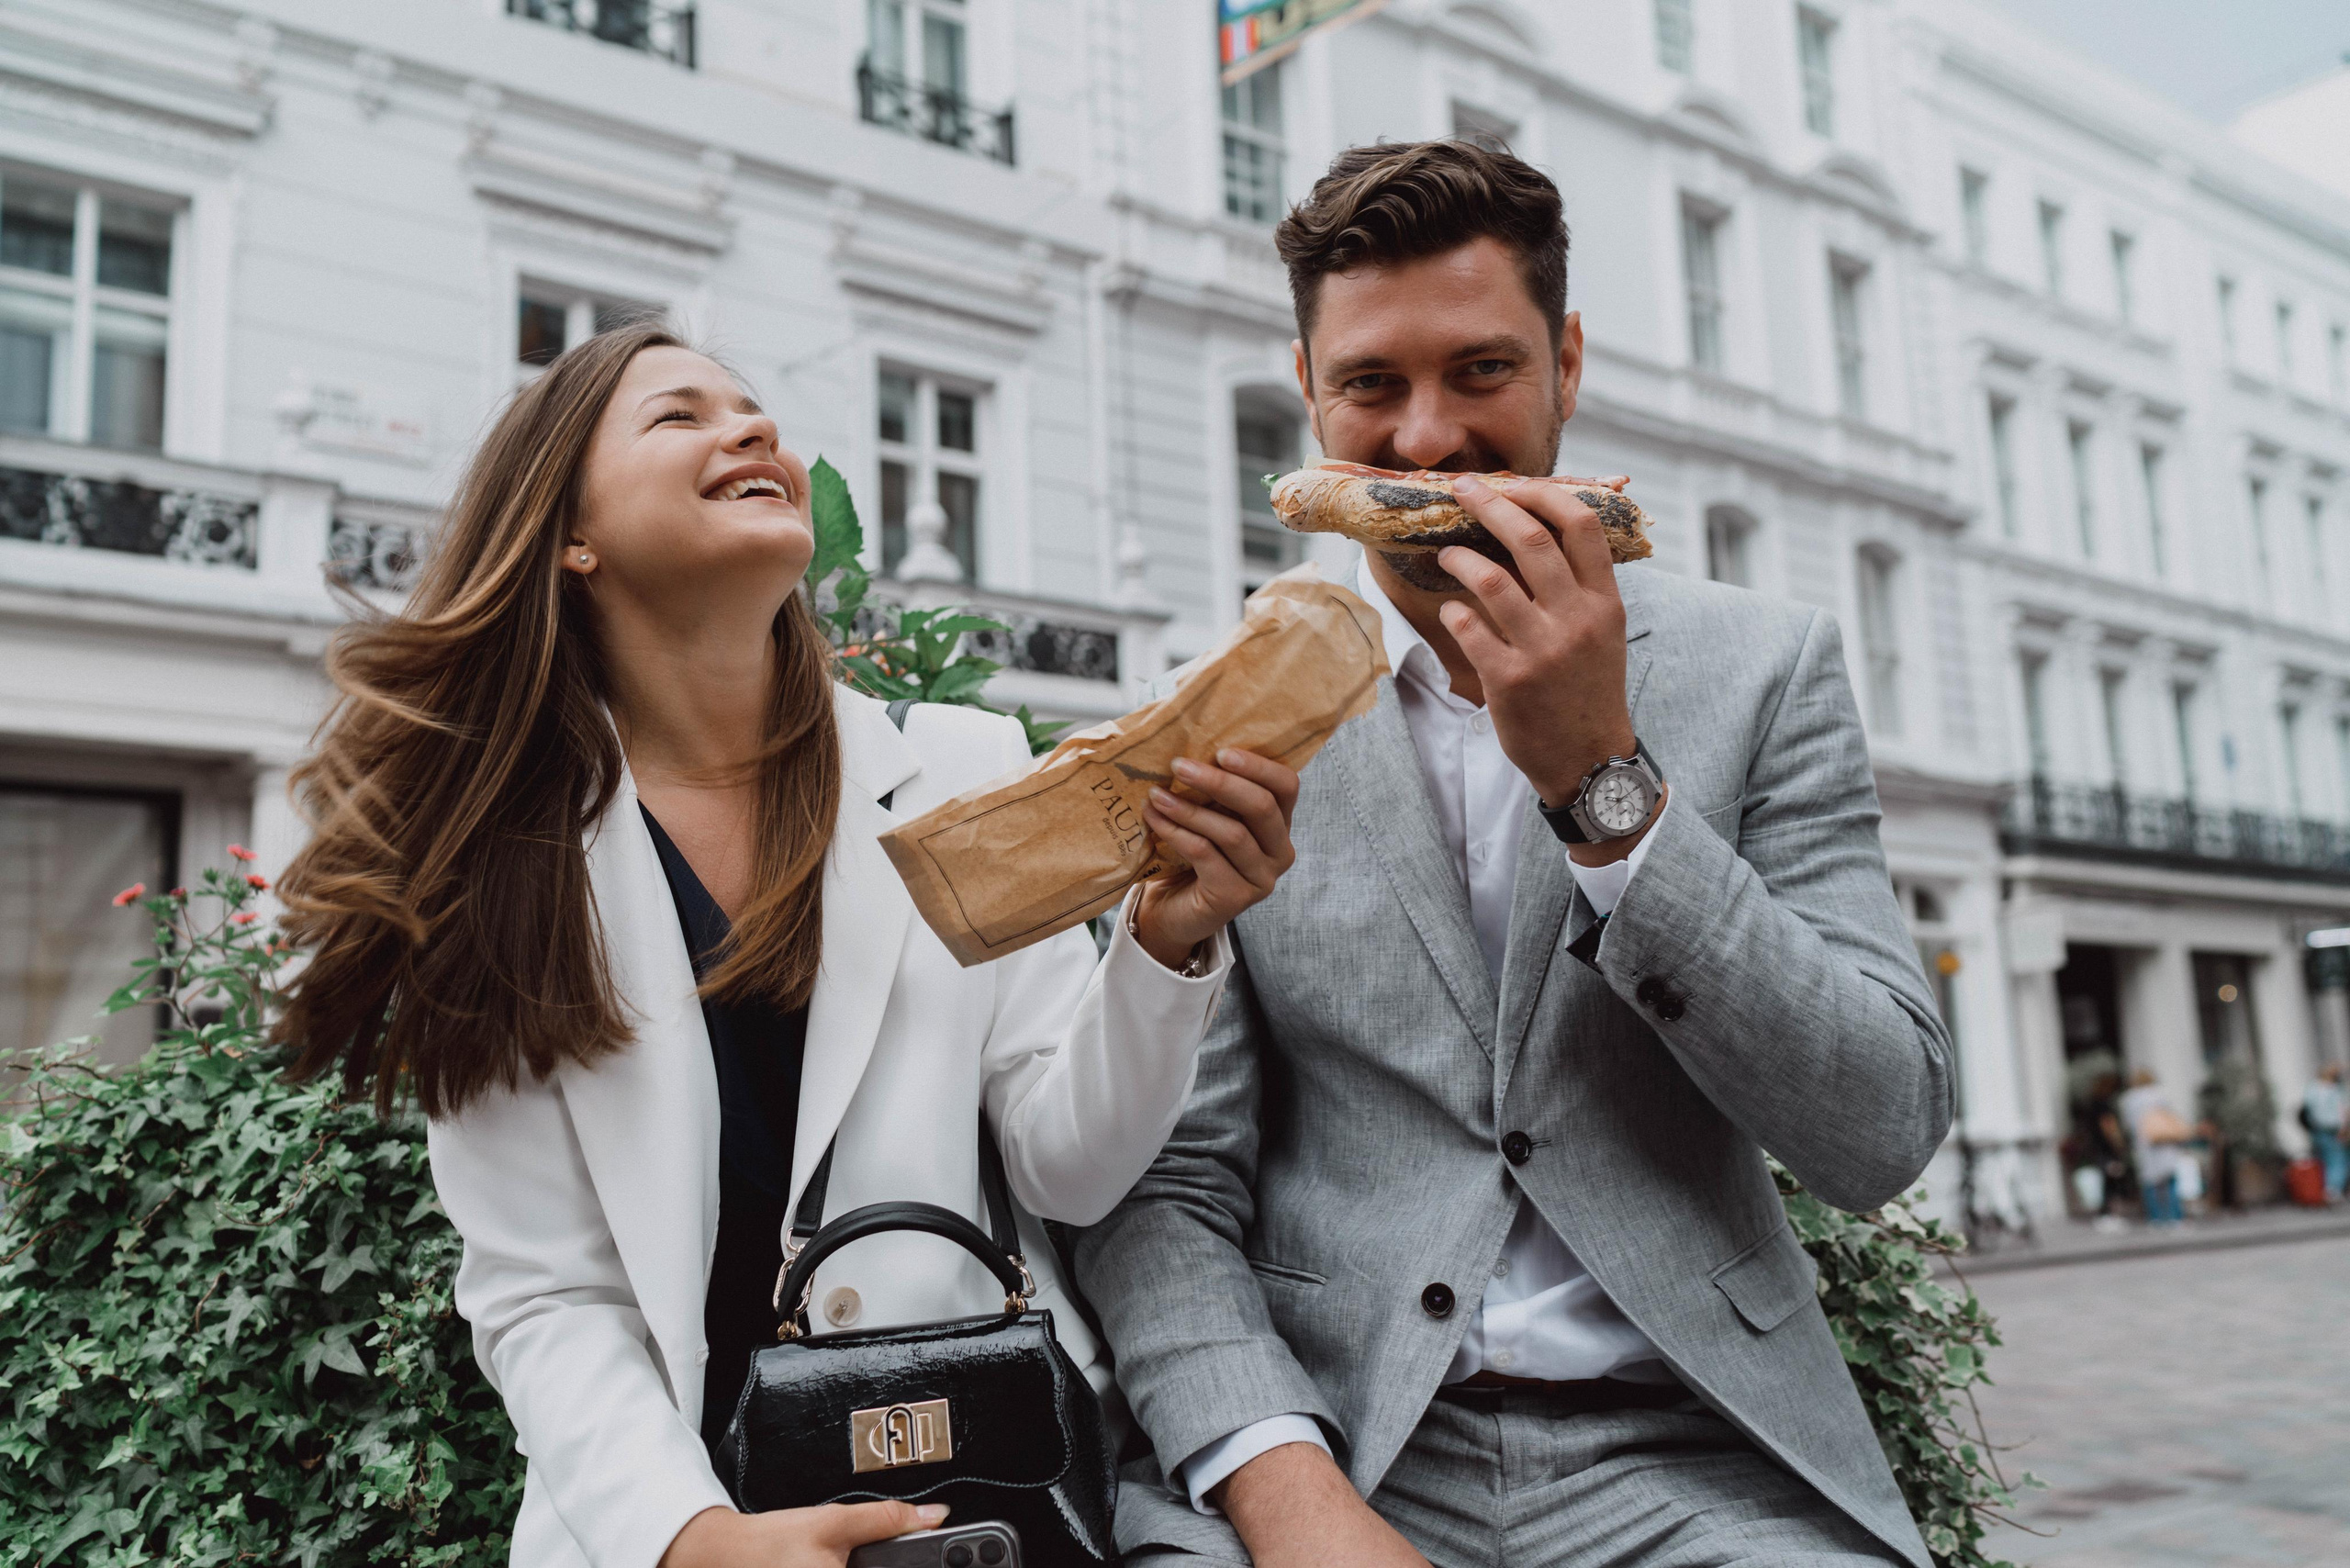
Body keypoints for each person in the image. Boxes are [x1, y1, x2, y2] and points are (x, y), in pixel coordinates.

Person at [269, 323, 1304, 1568]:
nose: (751, 431)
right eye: (679, 417)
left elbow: (1068, 1169)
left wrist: (1168, 941)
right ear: (571, 539)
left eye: (754, 409)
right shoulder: (498, 868)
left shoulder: (961, 775)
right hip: (664, 1524)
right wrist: (695, 1538)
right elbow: (544, 1293)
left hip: (981, 1494)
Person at [1077, 141, 1953, 1568]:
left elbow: (1878, 1128)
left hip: (1694, 1456)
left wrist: (1606, 784)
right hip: (1341, 1439)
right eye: (1371, 386)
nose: (1425, 442)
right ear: (1308, 393)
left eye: (1482, 371)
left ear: (1567, 365)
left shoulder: (1764, 670)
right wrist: (1285, 1493)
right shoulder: (1215, 713)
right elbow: (1171, 1187)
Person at [2120, 1069, 2192, 1226]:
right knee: (2169, 1180)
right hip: (2164, 1142)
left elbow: (2128, 1125)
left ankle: (2155, 1218)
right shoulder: (2159, 1094)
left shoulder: (2129, 1099)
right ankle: (2175, 1216)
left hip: (2144, 1144)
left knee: (2149, 1183)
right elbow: (2170, 1116)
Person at [2300, 1063, 2347, 1199]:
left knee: (2324, 1159)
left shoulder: (2312, 1089)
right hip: (2333, 1129)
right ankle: (2332, 1190)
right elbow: (2343, 1111)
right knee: (2337, 1159)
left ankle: (2325, 1189)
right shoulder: (2336, 1089)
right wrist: (2344, 1128)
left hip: (2317, 1129)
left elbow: (2307, 1110)